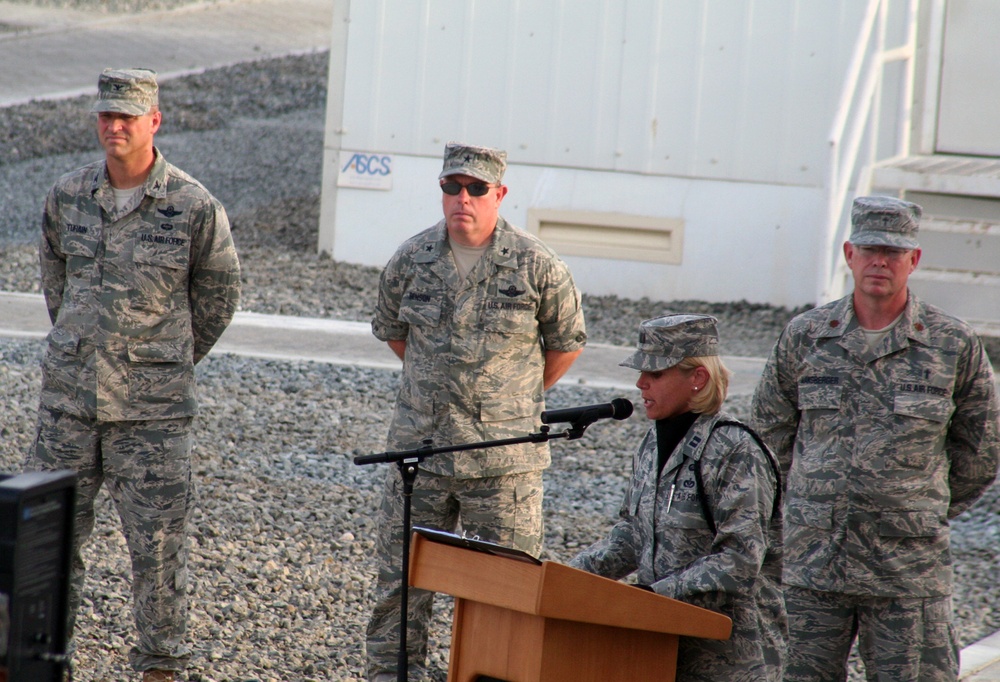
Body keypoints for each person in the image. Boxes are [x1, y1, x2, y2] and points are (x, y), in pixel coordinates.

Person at [26, 68, 241, 682]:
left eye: (126, 116)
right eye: (105, 115)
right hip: (68, 409)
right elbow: (56, 286)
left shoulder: (193, 206)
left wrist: (159, 361)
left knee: (157, 550)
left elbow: (218, 297)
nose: (114, 126)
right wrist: (85, 353)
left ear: (155, 121)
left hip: (154, 417)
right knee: (50, 544)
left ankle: (160, 667)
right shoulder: (67, 196)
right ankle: (39, 661)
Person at [750, 195, 1000, 681]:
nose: (879, 261)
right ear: (849, 254)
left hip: (906, 572)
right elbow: (766, 441)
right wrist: (800, 513)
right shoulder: (806, 337)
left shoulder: (951, 344)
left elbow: (981, 451)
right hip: (814, 567)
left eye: (893, 251)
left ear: (914, 260)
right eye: (869, 249)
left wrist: (918, 508)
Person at [367, 142, 587, 680]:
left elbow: (566, 343)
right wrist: (440, 388)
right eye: (451, 187)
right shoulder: (411, 260)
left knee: (508, 595)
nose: (462, 198)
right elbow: (395, 334)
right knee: (400, 592)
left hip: (503, 465)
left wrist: (506, 402)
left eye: (475, 188)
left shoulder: (538, 265)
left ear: (500, 194)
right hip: (421, 457)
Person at [570, 314, 786, 681]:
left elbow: (739, 560)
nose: (640, 383)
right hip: (660, 650)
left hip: (730, 660)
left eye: (655, 374)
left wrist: (651, 598)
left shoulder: (735, 450)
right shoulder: (651, 443)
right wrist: (568, 576)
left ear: (697, 378)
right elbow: (631, 535)